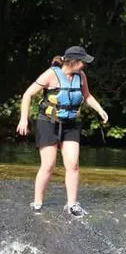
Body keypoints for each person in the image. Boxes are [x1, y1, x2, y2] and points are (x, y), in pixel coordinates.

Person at [16, 46, 108, 217]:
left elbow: (87, 96)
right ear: (73, 62)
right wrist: (24, 119)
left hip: (71, 124)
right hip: (48, 123)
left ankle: (72, 204)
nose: (84, 66)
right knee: (49, 165)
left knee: (73, 164)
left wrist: (100, 109)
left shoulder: (81, 76)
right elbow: (28, 94)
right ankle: (37, 202)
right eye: (82, 62)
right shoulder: (51, 74)